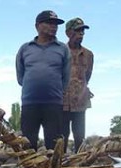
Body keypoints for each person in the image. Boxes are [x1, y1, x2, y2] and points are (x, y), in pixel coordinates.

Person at [16, 10, 71, 151]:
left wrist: (55, 91)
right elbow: (20, 77)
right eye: (50, 23)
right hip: (29, 103)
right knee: (27, 147)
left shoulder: (63, 49)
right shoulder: (25, 49)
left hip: (53, 104)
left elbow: (66, 77)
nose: (54, 27)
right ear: (37, 26)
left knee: (54, 147)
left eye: (56, 24)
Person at [61, 18, 93, 153]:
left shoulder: (88, 54)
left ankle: (80, 163)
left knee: (79, 135)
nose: (81, 34)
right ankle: (60, 164)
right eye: (78, 30)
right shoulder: (60, 51)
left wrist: (82, 89)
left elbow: (88, 76)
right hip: (62, 100)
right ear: (68, 32)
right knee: (62, 135)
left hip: (80, 100)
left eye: (83, 31)